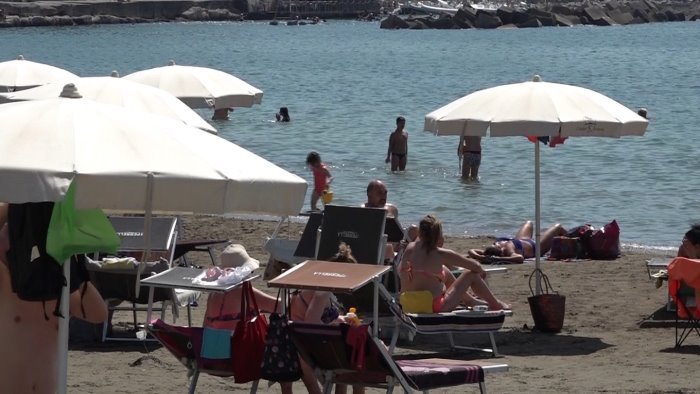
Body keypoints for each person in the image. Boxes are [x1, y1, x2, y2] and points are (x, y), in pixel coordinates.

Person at [0, 204, 108, 394]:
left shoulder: (55, 286)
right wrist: (16, 207)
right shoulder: (3, 280)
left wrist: (74, 271)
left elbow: (98, 313)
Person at [398, 214, 509, 312]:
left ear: (420, 233)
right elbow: (476, 266)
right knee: (470, 275)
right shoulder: (441, 254)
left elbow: (423, 252)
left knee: (443, 271)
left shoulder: (410, 248)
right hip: (433, 307)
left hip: (408, 304)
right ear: (438, 236)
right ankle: (496, 304)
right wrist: (481, 273)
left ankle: (470, 300)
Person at [202, 244, 280, 330]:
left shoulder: (214, 292)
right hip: (236, 341)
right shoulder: (242, 291)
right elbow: (278, 306)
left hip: (212, 340)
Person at [468, 221, 568, 264]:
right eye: (497, 244)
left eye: (496, 244)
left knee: (528, 223)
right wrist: (497, 259)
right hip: (536, 247)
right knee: (558, 227)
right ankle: (576, 240)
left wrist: (481, 257)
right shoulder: (507, 250)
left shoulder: (493, 250)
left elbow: (471, 251)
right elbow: (520, 258)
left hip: (522, 240)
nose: (497, 243)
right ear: (502, 251)